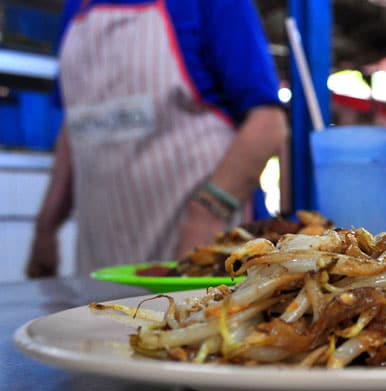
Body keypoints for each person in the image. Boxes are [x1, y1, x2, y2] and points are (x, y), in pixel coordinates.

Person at [26, 0, 288, 277]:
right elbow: (78, 123)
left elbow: (268, 124)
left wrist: (206, 215)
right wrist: (45, 228)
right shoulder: (78, 9)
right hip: (100, 257)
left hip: (195, 249)